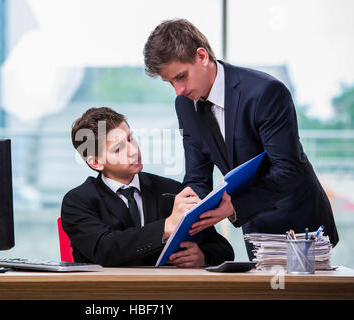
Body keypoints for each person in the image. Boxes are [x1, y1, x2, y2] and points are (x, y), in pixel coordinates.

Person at [143, 18, 338, 259]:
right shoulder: (185, 105)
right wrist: (188, 202)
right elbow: (197, 175)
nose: (178, 90)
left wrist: (234, 206)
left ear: (202, 57)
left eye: (181, 76)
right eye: (170, 82)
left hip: (301, 224)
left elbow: (289, 169)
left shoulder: (265, 92)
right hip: (256, 230)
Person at [61, 107, 234, 267]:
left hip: (165, 292)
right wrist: (166, 227)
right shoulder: (77, 201)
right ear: (96, 162)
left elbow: (223, 249)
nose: (134, 151)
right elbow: (105, 249)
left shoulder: (171, 190)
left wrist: (203, 256)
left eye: (130, 139)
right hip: (107, 293)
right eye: (118, 149)